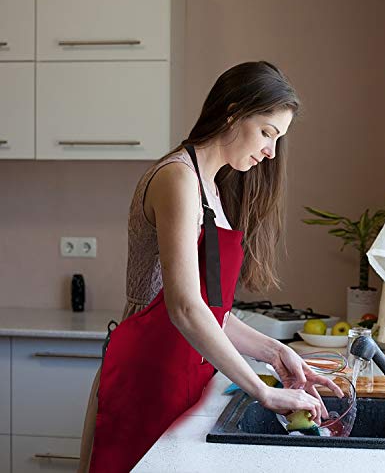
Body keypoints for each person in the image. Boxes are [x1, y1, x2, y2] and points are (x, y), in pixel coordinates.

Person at [78, 61, 342, 473]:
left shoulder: (211, 189)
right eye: (267, 133)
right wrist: (262, 391)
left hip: (184, 371)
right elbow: (183, 307)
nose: (271, 151)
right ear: (234, 112)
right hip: (146, 375)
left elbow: (210, 313)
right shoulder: (177, 180)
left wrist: (277, 354)